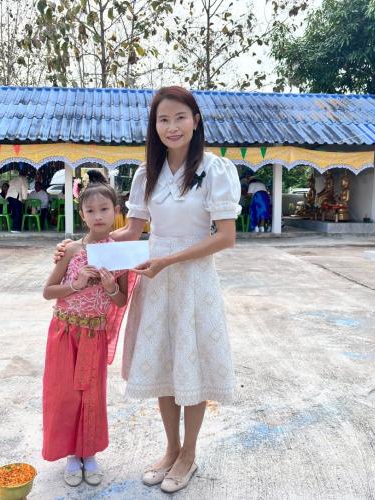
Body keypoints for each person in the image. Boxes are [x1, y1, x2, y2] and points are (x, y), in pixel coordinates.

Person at [55, 86, 239, 493]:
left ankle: (189, 454)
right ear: (154, 126)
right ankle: (171, 448)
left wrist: (169, 260)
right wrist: (78, 248)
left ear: (196, 121)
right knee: (162, 365)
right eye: (163, 119)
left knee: (191, 365)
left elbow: (226, 237)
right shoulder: (146, 174)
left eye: (180, 117)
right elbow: (130, 232)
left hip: (192, 280)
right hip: (155, 281)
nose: (172, 127)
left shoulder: (215, 169)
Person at [42, 179, 129, 487]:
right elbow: (48, 291)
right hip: (64, 332)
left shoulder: (120, 255)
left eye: (104, 209)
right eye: (90, 210)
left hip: (94, 334)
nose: (98, 216)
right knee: (64, 394)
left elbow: (121, 300)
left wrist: (110, 287)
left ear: (116, 211)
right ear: (82, 215)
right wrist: (75, 284)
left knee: (91, 395)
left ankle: (88, 453)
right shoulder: (71, 250)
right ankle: (70, 454)